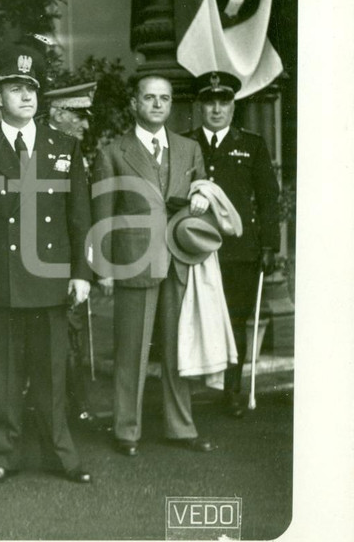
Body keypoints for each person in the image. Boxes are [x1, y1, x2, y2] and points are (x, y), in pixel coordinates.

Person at [0, 46, 93, 488]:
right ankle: (3, 455)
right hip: (0, 278)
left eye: (32, 88)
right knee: (1, 377)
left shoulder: (64, 146)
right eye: (16, 88)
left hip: (52, 276)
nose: (27, 96)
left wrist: (81, 272)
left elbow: (79, 217)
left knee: (53, 374)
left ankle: (61, 454)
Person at [93, 74, 214, 458]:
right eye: (149, 98)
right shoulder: (113, 152)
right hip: (134, 261)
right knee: (131, 352)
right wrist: (104, 268)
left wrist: (202, 198)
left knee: (179, 349)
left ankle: (181, 427)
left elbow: (203, 194)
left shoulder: (189, 149)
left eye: (164, 98)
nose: (158, 105)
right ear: (135, 103)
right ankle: (127, 429)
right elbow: (102, 215)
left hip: (180, 260)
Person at [188, 71, 280, 418]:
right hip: (195, 248)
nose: (216, 109)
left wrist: (270, 245)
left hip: (240, 251)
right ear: (199, 106)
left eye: (223, 102)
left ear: (232, 106)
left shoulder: (251, 144)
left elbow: (269, 198)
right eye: (209, 102)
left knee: (236, 319)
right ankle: (191, 392)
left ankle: (233, 390)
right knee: (196, 318)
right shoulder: (186, 143)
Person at [44, 81, 98, 424]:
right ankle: (60, 408)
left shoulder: (74, 150)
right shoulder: (36, 147)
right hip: (44, 260)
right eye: (79, 115)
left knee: (72, 333)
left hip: (70, 259)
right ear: (57, 113)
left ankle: (73, 406)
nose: (86, 123)